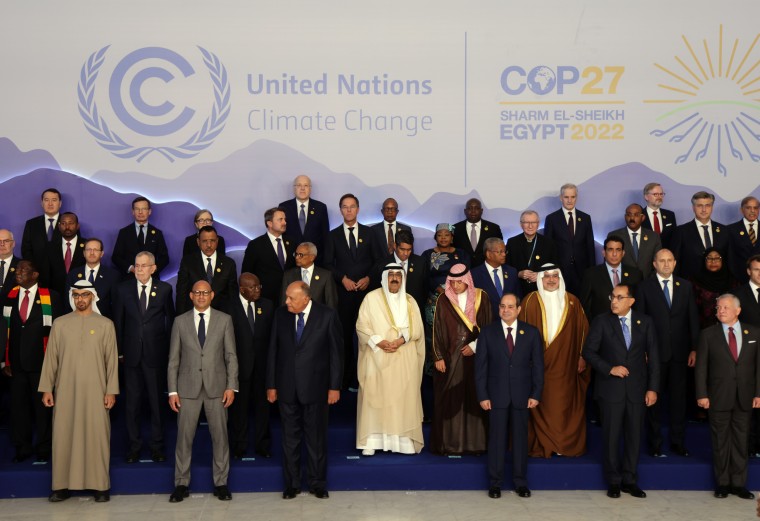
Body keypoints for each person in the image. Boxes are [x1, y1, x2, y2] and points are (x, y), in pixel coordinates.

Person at [39, 281, 119, 503]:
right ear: (72, 298)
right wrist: (47, 388)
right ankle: (61, 486)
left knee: (97, 436)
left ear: (92, 297)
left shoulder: (105, 324)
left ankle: (100, 486)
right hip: (65, 390)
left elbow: (111, 361)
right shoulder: (60, 324)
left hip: (97, 390)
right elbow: (51, 359)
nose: (80, 299)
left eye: (85, 295)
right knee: (64, 435)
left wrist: (111, 390)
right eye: (76, 295)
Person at [267, 281, 343, 500]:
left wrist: (334, 387)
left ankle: (317, 483)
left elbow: (336, 355)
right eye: (286, 297)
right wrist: (271, 385)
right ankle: (291, 485)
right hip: (286, 387)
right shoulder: (281, 315)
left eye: (291, 298)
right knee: (290, 439)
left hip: (317, 388)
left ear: (306, 299)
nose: (286, 301)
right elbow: (273, 350)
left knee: (316, 438)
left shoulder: (327, 315)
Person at [582, 284, 659, 499]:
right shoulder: (601, 321)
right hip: (610, 391)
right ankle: (613, 481)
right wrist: (609, 368)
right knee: (611, 437)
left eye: (619, 297)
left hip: (637, 391)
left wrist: (653, 388)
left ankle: (630, 480)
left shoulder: (645, 322)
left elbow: (653, 358)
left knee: (634, 437)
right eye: (612, 297)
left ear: (631, 301)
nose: (613, 301)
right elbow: (588, 352)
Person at [167, 280, 238, 503]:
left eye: (205, 292)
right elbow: (173, 360)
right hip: (187, 389)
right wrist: (172, 391)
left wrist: (231, 386)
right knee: (184, 438)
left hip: (217, 388)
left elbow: (231, 356)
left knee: (220, 437)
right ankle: (181, 483)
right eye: (197, 292)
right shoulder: (180, 322)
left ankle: (221, 483)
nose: (201, 296)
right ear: (190, 295)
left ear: (212, 295)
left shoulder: (224, 320)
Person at [475, 293, 543, 499]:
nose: (506, 310)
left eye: (510, 307)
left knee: (520, 441)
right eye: (503, 306)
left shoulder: (531, 333)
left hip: (523, 396)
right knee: (496, 440)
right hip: (496, 396)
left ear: (519, 309)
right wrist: (482, 395)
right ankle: (495, 484)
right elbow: (480, 368)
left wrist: (536, 393)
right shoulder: (487, 333)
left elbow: (539, 367)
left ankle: (520, 483)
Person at [519, 265, 590, 458]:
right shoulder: (530, 301)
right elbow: (521, 335)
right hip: (537, 368)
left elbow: (584, 331)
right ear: (540, 279)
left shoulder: (573, 301)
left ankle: (562, 444)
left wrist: (582, 356)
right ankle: (542, 444)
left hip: (566, 368)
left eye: (555, 276)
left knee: (562, 406)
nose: (551, 280)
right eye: (547, 276)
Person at [635, 249, 699, 458]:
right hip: (654, 354)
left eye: (669, 260)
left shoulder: (685, 286)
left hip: (680, 354)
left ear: (675, 262)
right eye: (661, 261)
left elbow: (692, 319)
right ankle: (655, 444)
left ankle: (677, 443)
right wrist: (642, 350)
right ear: (654, 264)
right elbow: (641, 323)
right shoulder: (644, 287)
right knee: (653, 400)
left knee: (679, 401)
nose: (666, 264)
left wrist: (694, 348)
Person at [355, 264, 425, 455]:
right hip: (377, 356)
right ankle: (371, 440)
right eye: (391, 275)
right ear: (385, 277)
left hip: (403, 357)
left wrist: (400, 341)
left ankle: (402, 441)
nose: (394, 278)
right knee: (374, 397)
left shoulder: (410, 301)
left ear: (403, 278)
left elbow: (417, 329)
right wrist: (379, 342)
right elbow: (362, 325)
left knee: (402, 400)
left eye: (398, 275)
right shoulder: (371, 298)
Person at [696, 294, 760, 500]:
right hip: (718, 397)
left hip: (745, 397)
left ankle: (739, 485)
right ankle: (723, 484)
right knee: (720, 442)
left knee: (741, 442)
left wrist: (758, 393)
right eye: (718, 308)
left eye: (725, 307)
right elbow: (701, 368)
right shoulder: (708, 334)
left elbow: (759, 368)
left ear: (738, 310)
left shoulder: (755, 333)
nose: (720, 311)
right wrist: (702, 394)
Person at [112, 251, 175, 463]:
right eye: (137, 265)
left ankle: (157, 447)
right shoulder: (123, 289)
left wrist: (168, 353)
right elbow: (118, 323)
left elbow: (170, 322)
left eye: (143, 265)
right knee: (132, 404)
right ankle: (134, 447)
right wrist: (119, 351)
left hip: (155, 356)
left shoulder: (165, 289)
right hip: (130, 357)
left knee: (157, 405)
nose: (139, 269)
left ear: (153, 268)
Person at [1, 260, 62, 463]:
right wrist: (4, 360)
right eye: (18, 269)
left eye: (23, 270)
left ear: (35, 275)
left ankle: (44, 447)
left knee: (43, 408)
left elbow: (58, 332)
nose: (18, 272)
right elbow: (3, 330)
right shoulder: (9, 296)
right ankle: (22, 447)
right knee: (18, 408)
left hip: (42, 364)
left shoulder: (51, 296)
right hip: (15, 364)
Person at [430, 263, 492, 455]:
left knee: (474, 398)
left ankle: (476, 444)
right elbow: (437, 331)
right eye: (452, 282)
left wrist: (474, 347)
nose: (455, 286)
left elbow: (489, 329)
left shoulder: (482, 297)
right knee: (450, 399)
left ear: (467, 280)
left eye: (459, 282)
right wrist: (438, 357)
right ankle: (449, 444)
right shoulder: (443, 299)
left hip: (475, 358)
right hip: (449, 359)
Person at [324, 193, 378, 389]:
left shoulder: (370, 233)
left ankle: (367, 377)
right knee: (345, 337)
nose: (348, 210)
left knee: (368, 335)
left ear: (358, 209)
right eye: (345, 207)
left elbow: (378, 261)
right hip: (344, 295)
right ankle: (346, 379)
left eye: (352, 206)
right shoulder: (332, 236)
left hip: (367, 295)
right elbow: (328, 264)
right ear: (340, 210)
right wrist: (342, 279)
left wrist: (369, 278)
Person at [229, 273, 274, 460]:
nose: (257, 290)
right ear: (242, 289)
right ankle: (239, 445)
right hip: (239, 368)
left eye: (258, 286)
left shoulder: (268, 305)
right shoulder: (228, 306)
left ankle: (262, 445)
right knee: (239, 409)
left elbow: (272, 338)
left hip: (262, 368)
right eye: (253, 287)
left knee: (263, 408)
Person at [543, 183, 596, 295]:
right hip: (559, 271)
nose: (569, 200)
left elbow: (590, 246)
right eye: (566, 197)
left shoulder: (586, 218)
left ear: (576, 197)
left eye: (573, 197)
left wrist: (592, 270)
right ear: (561, 198)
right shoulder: (552, 219)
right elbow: (547, 247)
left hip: (582, 270)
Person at [176, 226, 238, 315]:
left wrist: (232, 320)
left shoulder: (229, 264)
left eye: (212, 241)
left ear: (217, 241)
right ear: (198, 242)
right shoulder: (188, 262)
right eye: (205, 241)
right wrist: (181, 319)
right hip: (194, 315)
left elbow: (233, 296)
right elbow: (181, 293)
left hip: (221, 317)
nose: (209, 245)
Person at [580, 235, 643, 321]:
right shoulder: (591, 274)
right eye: (610, 250)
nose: (614, 254)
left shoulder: (635, 274)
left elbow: (640, 304)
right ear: (604, 253)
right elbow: (585, 306)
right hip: (601, 327)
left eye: (618, 250)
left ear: (623, 253)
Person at [241, 207, 295, 304]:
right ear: (269, 223)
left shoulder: (292, 242)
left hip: (289, 297)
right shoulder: (256, 245)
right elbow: (247, 273)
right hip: (265, 298)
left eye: (285, 219)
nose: (284, 223)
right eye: (280, 220)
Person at [671, 191, 728, 279]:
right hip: (691, 285)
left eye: (707, 205)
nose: (704, 209)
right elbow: (676, 261)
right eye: (700, 206)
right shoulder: (681, 231)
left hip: (720, 284)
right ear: (693, 208)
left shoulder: (724, 230)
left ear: (712, 207)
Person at [370, 229, 429, 314]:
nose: (406, 253)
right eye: (402, 249)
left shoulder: (421, 263)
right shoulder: (382, 264)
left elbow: (425, 290)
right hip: (390, 312)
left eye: (409, 249)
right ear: (395, 246)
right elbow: (376, 290)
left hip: (414, 312)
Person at [111, 196, 170, 279]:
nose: (140, 212)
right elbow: (116, 257)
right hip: (129, 280)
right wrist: (131, 268)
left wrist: (152, 269)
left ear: (149, 211)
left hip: (152, 279)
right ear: (133, 212)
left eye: (144, 209)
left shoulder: (157, 233)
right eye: (137, 209)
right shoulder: (124, 232)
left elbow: (164, 258)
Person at [279, 175, 330, 264]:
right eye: (299, 185)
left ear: (310, 188)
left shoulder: (320, 207)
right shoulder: (284, 207)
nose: (302, 188)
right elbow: (281, 233)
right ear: (294, 188)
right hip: (291, 259)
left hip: (315, 260)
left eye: (306, 185)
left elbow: (325, 235)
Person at [506, 210, 558, 296]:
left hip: (542, 289)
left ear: (538, 224)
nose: (530, 226)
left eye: (533, 222)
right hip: (519, 290)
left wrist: (541, 275)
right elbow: (506, 267)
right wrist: (518, 274)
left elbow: (555, 266)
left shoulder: (549, 243)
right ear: (521, 224)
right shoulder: (512, 242)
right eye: (526, 222)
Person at [66, 238, 120, 319]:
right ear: (84, 253)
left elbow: (116, 305)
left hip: (103, 323)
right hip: (76, 321)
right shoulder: (73, 274)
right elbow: (67, 302)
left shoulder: (113, 276)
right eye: (88, 249)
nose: (92, 253)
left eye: (95, 250)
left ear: (102, 253)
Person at [471, 237, 520, 320]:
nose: (504, 254)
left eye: (505, 251)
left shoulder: (512, 272)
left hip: (509, 322)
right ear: (488, 254)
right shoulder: (474, 274)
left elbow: (518, 298)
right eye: (500, 252)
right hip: (486, 323)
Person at [608, 203, 662, 279]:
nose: (632, 218)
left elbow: (658, 262)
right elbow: (609, 264)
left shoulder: (653, 237)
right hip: (622, 283)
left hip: (647, 283)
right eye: (629, 215)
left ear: (642, 217)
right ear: (625, 217)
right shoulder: (614, 236)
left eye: (636, 215)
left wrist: (650, 282)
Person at [21, 188, 61, 288]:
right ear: (41, 203)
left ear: (60, 203)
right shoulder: (31, 224)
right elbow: (26, 250)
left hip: (62, 277)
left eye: (54, 200)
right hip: (38, 277)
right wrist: (34, 271)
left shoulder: (69, 223)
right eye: (46, 200)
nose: (50, 203)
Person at [280, 242, 338, 309]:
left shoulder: (325, 276)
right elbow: (284, 302)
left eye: (300, 255)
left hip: (318, 317)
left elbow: (331, 303)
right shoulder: (288, 275)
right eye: (296, 254)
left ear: (312, 257)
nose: (296, 257)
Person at [691, 248, 738, 328]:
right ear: (704, 261)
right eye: (709, 258)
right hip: (704, 330)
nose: (713, 261)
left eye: (717, 258)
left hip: (730, 329)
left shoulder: (733, 282)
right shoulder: (694, 282)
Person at [452, 198, 503, 268]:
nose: (473, 211)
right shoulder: (455, 228)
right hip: (462, 271)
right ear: (465, 211)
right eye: (470, 208)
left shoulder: (493, 228)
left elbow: (500, 250)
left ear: (481, 211)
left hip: (487, 271)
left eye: (477, 208)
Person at [48, 212, 85, 301]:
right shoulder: (50, 247)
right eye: (63, 223)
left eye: (71, 223)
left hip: (81, 296)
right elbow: (46, 273)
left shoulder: (87, 245)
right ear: (59, 226)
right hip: (55, 296)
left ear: (77, 226)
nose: (67, 227)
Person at [727, 196, 760, 284]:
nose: (752, 211)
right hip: (739, 280)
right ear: (742, 210)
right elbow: (730, 257)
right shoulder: (730, 230)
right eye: (748, 208)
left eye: (755, 208)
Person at [641, 182, 677, 248]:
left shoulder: (670, 215)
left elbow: (674, 239)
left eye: (661, 194)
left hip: (665, 256)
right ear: (646, 197)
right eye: (655, 194)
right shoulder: (639, 216)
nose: (659, 197)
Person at [0, 229, 21, 303]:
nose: (2, 244)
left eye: (6, 241)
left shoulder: (22, 266)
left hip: (13, 310)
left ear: (13, 243)